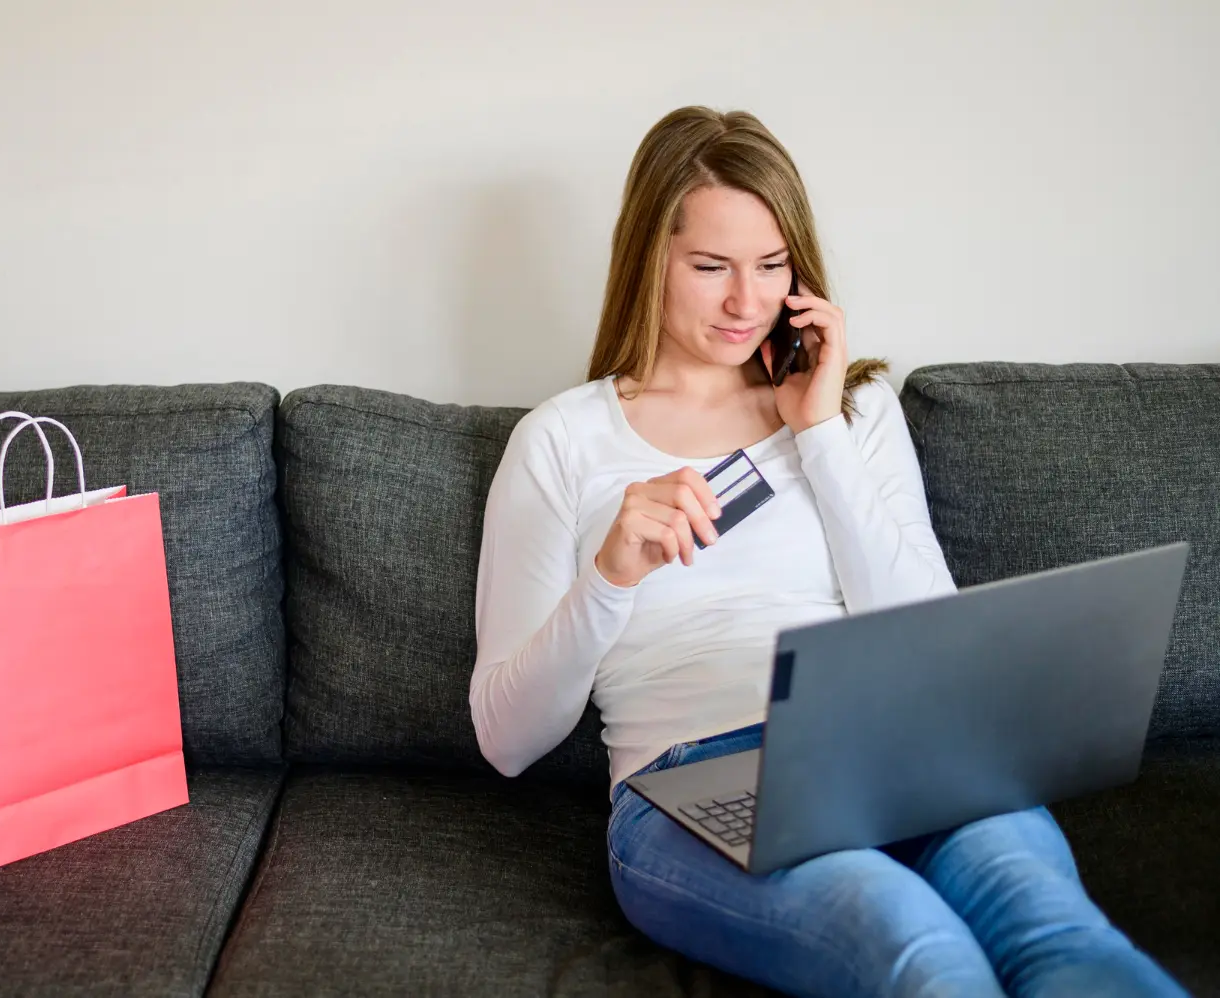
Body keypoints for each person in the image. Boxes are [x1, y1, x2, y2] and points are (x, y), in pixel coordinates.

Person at [468, 106, 1186, 998]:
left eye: (771, 266)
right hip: (692, 777)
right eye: (710, 267)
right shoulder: (562, 441)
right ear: (648, 256)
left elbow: (928, 635)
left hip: (902, 746)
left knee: (1059, 932)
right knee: (915, 944)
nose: (745, 301)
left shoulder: (853, 411)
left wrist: (819, 434)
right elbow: (505, 739)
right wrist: (611, 575)